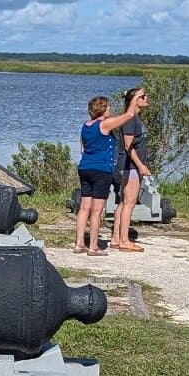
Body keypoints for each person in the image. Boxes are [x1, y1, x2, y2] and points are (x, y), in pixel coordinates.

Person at [74, 91, 144, 256]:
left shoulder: (86, 125)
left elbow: (83, 148)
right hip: (101, 170)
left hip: (84, 168)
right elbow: (128, 115)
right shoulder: (104, 125)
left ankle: (79, 244)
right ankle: (93, 247)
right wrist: (134, 98)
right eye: (108, 107)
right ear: (103, 110)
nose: (110, 110)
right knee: (97, 211)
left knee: (84, 208)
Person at [110, 86, 152, 253]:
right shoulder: (130, 119)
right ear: (135, 100)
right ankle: (124, 240)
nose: (146, 98)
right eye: (143, 96)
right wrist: (141, 165)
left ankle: (116, 238)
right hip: (130, 167)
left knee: (123, 202)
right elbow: (128, 146)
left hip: (130, 167)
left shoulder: (135, 119)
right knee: (129, 203)